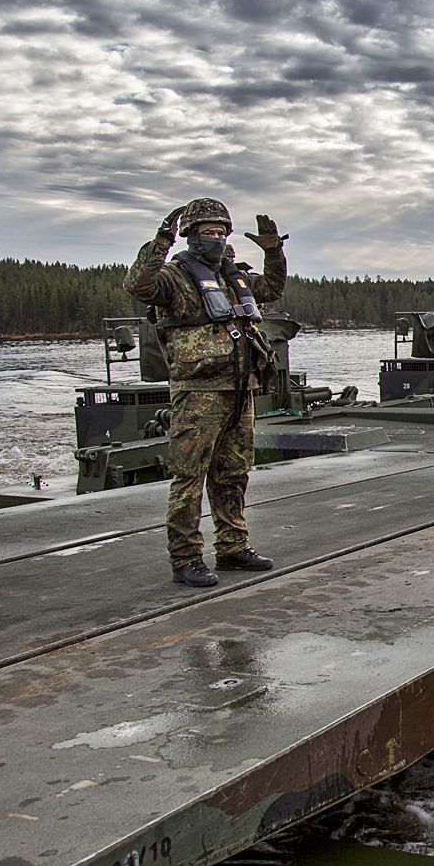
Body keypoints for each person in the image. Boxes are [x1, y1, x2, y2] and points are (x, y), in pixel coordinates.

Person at [124, 198, 287, 587]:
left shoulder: (234, 277)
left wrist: (273, 251)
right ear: (191, 236)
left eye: (220, 232)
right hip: (198, 393)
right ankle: (185, 557)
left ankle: (233, 546)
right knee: (189, 477)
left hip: (239, 389)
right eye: (207, 232)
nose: (214, 239)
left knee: (233, 473)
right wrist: (161, 240)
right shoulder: (176, 278)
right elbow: (139, 285)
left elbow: (273, 288)